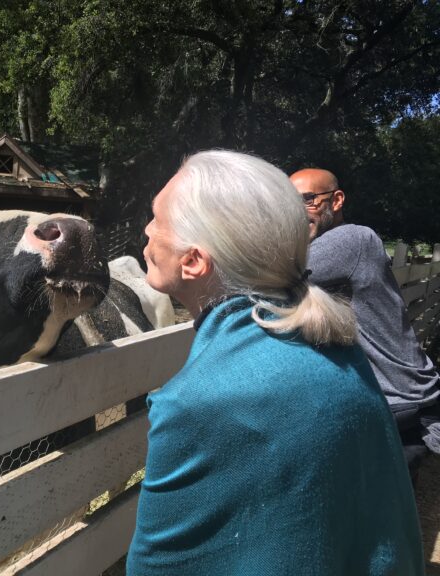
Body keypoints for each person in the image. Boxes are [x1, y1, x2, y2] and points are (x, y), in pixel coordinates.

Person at [126, 151, 423, 575]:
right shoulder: (337, 346)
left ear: (193, 261)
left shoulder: (197, 404)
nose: (147, 230)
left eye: (156, 219)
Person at [290, 168, 440, 482]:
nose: (297, 211)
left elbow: (275, 276)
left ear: (337, 200)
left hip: (399, 399)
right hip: (396, 395)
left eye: (308, 199)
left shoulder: (352, 239)